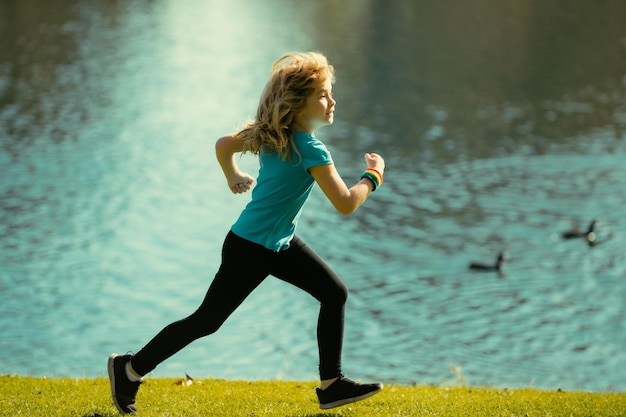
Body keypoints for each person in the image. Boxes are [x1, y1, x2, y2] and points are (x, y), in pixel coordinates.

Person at [108, 51, 385, 414]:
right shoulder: (310, 149)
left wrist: (232, 176)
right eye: (324, 94)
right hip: (251, 248)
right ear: (298, 103)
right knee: (206, 320)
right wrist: (373, 175)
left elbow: (224, 145)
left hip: (275, 243)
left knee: (333, 293)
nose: (332, 101)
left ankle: (331, 384)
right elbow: (347, 203)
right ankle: (128, 369)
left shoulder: (274, 135)